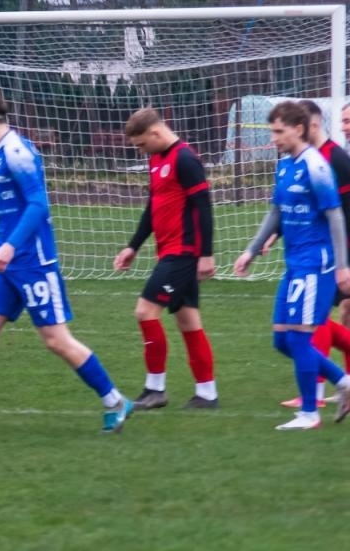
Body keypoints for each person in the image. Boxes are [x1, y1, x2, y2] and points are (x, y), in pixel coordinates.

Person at [0, 86, 132, 436]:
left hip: (33, 262)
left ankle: (115, 400)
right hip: (4, 263)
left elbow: (39, 204)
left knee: (56, 340)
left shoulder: (16, 150)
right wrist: (3, 249)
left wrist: (10, 247)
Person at [235, 100, 350, 430]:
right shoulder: (284, 165)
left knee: (300, 340)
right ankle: (344, 383)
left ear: (298, 129)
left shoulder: (317, 165)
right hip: (294, 264)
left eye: (278, 131)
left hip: (316, 264)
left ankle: (310, 414)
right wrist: (251, 250)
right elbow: (275, 212)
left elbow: (336, 216)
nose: (273, 138)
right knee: (282, 341)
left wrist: (342, 266)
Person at [112, 107, 219, 410]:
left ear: (156, 133)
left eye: (141, 144)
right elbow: (153, 207)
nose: (140, 150)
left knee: (145, 312)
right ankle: (207, 393)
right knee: (189, 322)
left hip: (182, 254)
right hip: (169, 252)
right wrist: (133, 246)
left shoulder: (185, 159)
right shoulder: (157, 159)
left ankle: (155, 389)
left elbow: (203, 207)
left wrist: (206, 255)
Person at [279, 99, 350, 408]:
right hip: (328, 252)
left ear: (310, 126)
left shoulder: (335, 159)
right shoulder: (311, 159)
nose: (345, 126)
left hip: (336, 253)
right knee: (330, 317)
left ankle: (318, 393)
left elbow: (342, 213)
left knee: (318, 317)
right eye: (344, 120)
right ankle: (334, 384)